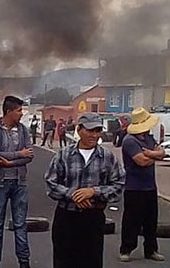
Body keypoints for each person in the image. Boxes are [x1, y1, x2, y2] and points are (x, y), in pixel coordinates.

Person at [45, 112, 125, 268]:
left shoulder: (107, 157)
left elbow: (119, 185)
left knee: (91, 261)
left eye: (97, 130)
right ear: (79, 129)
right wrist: (73, 195)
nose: (94, 135)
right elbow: (51, 183)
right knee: (64, 261)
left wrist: (94, 192)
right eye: (90, 130)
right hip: (66, 218)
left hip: (93, 218)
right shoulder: (64, 155)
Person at [0, 96, 33, 268]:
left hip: (19, 182)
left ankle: (24, 262)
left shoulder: (24, 130)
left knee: (20, 224)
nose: (21, 114)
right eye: (19, 110)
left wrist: (10, 162)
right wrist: (20, 154)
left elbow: (30, 155)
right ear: (9, 111)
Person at [119, 107, 166, 263]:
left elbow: (161, 151)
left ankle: (151, 250)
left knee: (151, 221)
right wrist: (155, 156)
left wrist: (152, 154)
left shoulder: (149, 138)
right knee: (131, 220)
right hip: (134, 187)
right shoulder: (129, 141)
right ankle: (126, 249)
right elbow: (142, 161)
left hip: (150, 187)